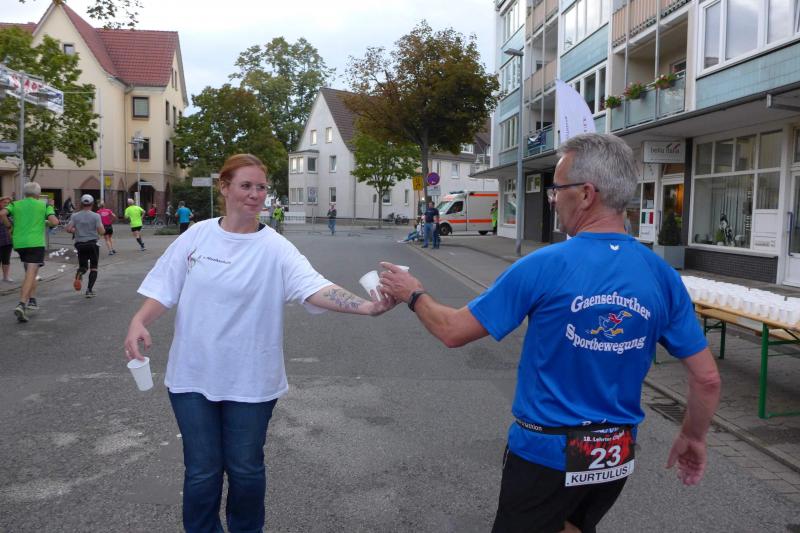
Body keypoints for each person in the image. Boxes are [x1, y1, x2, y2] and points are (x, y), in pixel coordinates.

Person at [379, 133, 721, 533]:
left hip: (545, 454)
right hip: (615, 453)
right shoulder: (662, 275)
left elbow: (452, 330)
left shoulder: (543, 265)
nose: (552, 199)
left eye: (557, 189)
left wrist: (413, 294)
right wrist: (694, 437)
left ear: (587, 194)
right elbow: (707, 379)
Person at [124, 153, 397, 533]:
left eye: (261, 187)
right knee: (202, 470)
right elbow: (164, 288)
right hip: (192, 377)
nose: (255, 194)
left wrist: (367, 307)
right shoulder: (197, 236)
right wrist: (139, 320)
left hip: (251, 381)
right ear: (225, 187)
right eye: (246, 185)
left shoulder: (275, 247)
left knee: (245, 469)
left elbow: (315, 287)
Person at [0, 182, 59, 322]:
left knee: (30, 272)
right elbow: (55, 222)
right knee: (31, 273)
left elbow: (2, 213)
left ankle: (32, 300)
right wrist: (50, 210)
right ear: (38, 194)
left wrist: (9, 226)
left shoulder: (16, 204)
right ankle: (21, 304)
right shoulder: (43, 205)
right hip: (35, 243)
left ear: (25, 193)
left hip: (19, 243)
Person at [66, 194, 105, 298]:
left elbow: (68, 229)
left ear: (81, 204)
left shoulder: (75, 216)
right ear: (92, 204)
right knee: (94, 268)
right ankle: (89, 290)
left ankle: (79, 274)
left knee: (83, 266)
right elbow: (101, 231)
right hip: (92, 244)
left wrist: (77, 230)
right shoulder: (96, 216)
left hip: (80, 244)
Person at [0, 196, 13, 282]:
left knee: (6, 259)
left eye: (8, 203)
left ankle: (5, 277)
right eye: (4, 202)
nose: (6, 204)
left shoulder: (10, 213)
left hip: (7, 240)